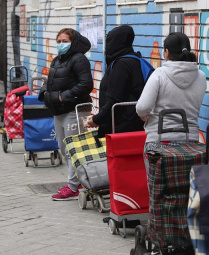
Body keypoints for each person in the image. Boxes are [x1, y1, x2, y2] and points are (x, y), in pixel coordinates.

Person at [136, 32, 206, 171]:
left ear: (166, 52)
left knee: (157, 189)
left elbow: (142, 107)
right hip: (190, 142)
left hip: (159, 143)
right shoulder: (201, 76)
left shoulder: (159, 74)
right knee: (185, 188)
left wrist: (144, 116)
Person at [38, 28, 93, 201]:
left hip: (74, 109)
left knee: (73, 149)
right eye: (59, 41)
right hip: (59, 110)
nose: (61, 44)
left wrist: (62, 97)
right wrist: (44, 92)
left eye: (65, 41)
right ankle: (77, 182)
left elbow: (86, 84)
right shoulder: (58, 60)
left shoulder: (79, 59)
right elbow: (50, 81)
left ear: (73, 42)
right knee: (64, 149)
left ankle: (73, 187)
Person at [85, 25, 145, 137]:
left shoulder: (121, 65)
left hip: (121, 129)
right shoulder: (134, 60)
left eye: (109, 41)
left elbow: (115, 100)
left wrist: (97, 119)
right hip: (134, 125)